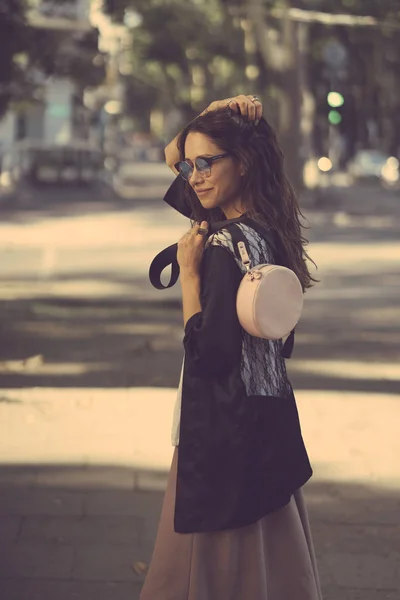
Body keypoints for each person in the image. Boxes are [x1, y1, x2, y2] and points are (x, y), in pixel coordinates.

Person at [140, 94, 323, 600]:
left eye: (206, 164)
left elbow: (210, 357)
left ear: (241, 164)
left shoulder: (219, 246)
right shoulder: (268, 228)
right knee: (272, 563)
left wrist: (190, 277)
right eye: (189, 166)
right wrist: (211, 115)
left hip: (221, 431)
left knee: (204, 572)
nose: (192, 176)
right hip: (265, 424)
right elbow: (172, 156)